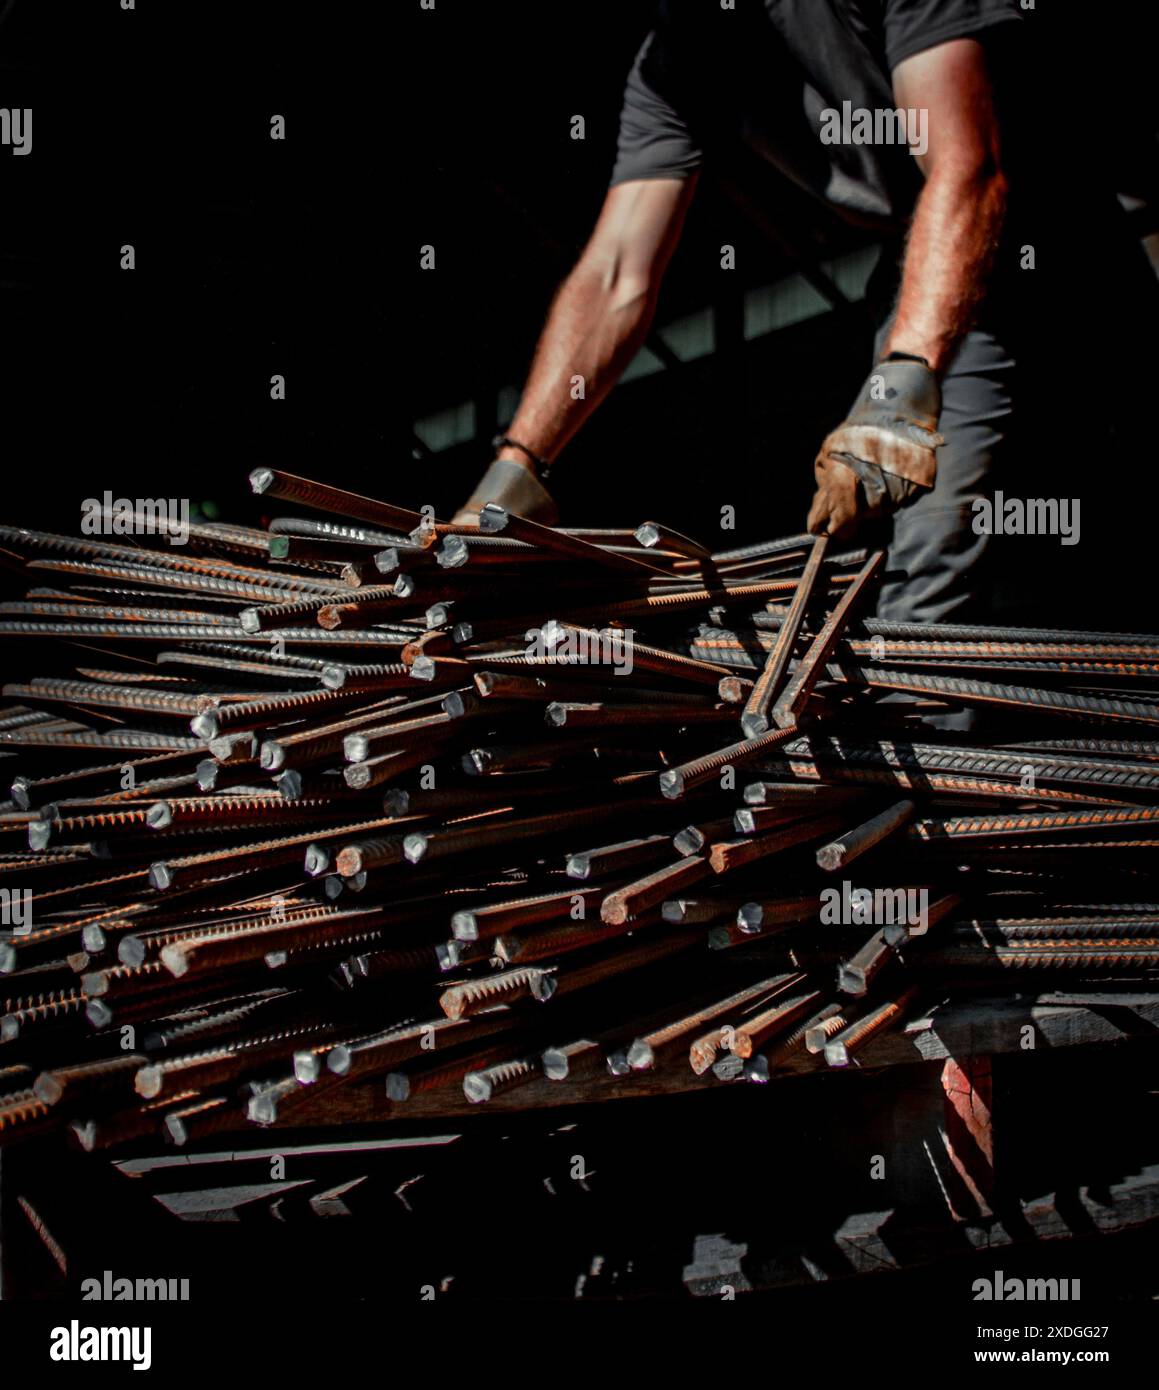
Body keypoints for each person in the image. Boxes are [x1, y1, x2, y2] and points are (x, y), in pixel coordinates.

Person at [448, 0, 1119, 628]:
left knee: (933, 552)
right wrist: (519, 464)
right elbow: (616, 270)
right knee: (912, 548)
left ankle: (938, 728)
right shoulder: (671, 60)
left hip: (1027, 233)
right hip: (916, 253)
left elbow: (966, 165)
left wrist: (900, 386)